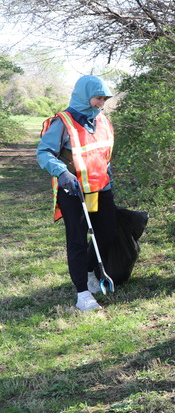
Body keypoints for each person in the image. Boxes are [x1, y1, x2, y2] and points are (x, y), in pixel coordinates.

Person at [36, 75, 117, 312]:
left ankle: (90, 270)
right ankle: (82, 293)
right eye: (98, 98)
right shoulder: (63, 122)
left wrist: (108, 176)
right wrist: (62, 173)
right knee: (77, 240)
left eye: (104, 99)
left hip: (100, 189)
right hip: (73, 191)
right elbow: (44, 153)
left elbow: (103, 153)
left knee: (107, 233)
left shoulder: (102, 120)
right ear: (84, 95)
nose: (101, 103)